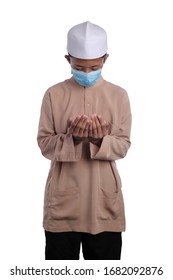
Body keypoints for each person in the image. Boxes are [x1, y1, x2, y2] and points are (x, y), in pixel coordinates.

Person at [37, 21, 132, 260]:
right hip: (63, 204)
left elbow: (123, 145)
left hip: (104, 204)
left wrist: (101, 140)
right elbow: (44, 144)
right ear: (68, 60)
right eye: (80, 67)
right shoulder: (53, 94)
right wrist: (74, 139)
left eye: (94, 67)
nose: (87, 73)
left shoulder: (118, 96)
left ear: (105, 59)